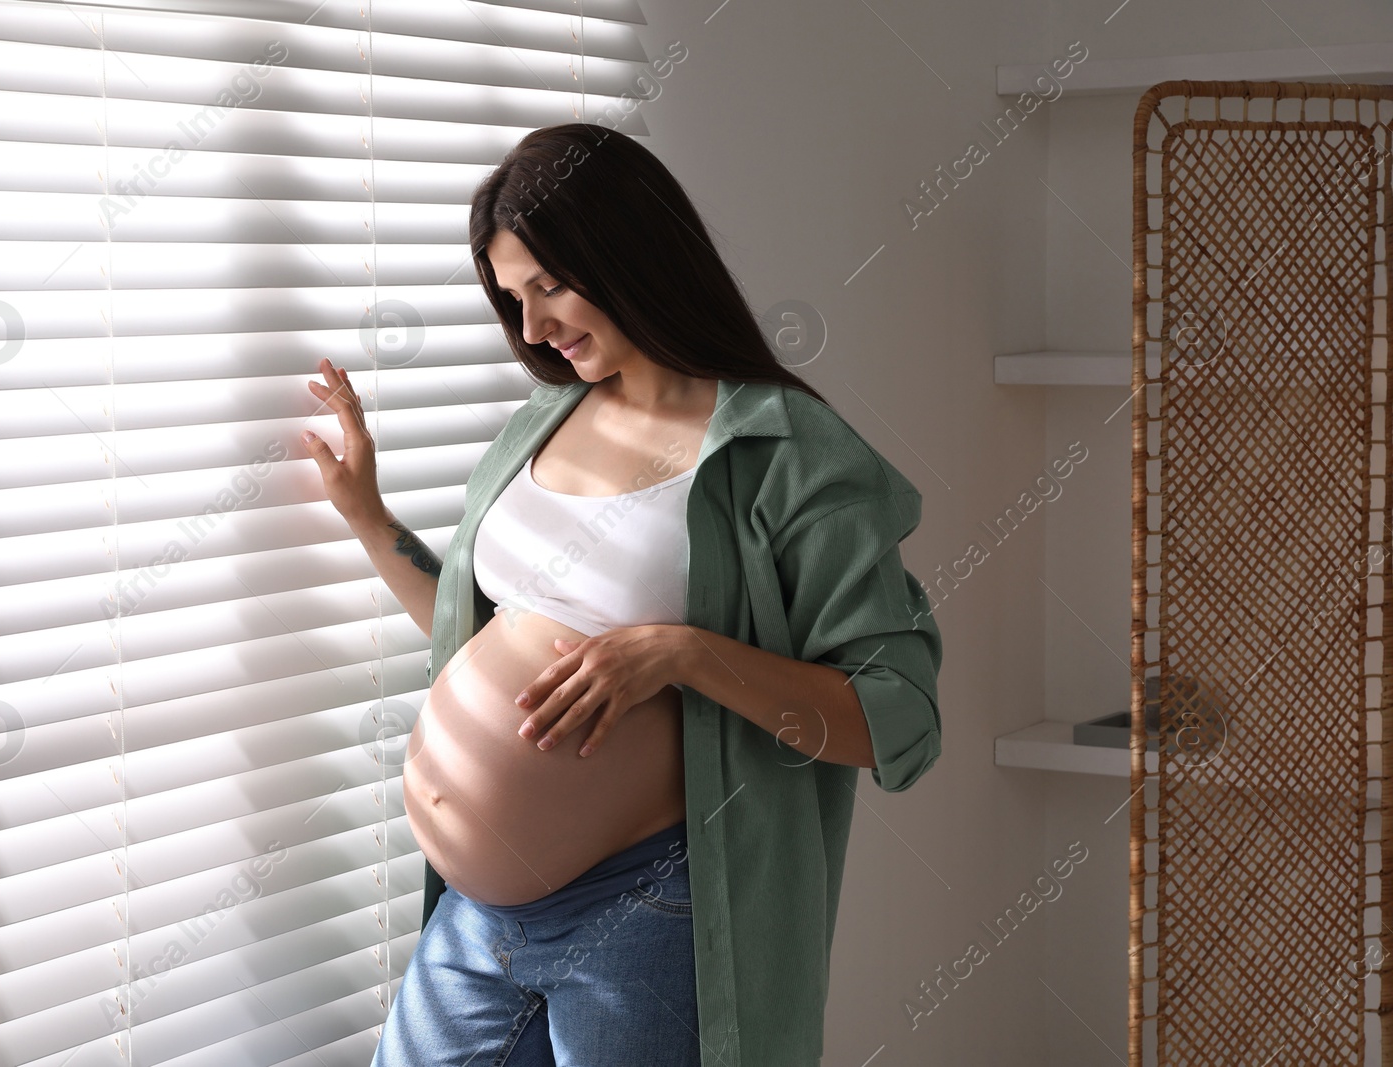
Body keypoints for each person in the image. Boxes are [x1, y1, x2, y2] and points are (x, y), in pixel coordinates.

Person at [301, 122, 944, 1067]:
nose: (531, 328)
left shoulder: (783, 450)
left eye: (548, 286)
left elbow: (896, 721)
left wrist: (681, 654)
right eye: (511, 298)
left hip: (646, 908)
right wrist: (368, 517)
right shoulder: (539, 423)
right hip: (475, 917)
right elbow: (468, 642)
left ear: (630, 250)